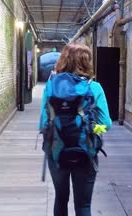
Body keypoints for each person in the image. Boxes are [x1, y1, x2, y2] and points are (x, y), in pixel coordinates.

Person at [38, 42, 112, 216]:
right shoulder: (94, 87)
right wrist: (91, 129)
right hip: (85, 152)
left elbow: (43, 124)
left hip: (57, 152)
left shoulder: (51, 87)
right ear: (87, 62)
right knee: (83, 206)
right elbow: (106, 124)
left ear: (63, 60)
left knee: (60, 199)